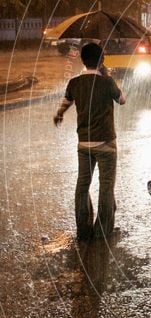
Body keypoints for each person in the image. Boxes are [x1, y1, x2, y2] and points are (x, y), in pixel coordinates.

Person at [53, 42, 126, 241]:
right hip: (106, 143)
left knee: (83, 184)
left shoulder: (74, 83)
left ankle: (83, 229)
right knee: (106, 185)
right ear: (101, 60)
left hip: (84, 144)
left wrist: (59, 114)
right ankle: (103, 230)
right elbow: (122, 100)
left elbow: (66, 103)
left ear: (83, 60)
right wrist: (108, 77)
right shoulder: (107, 82)